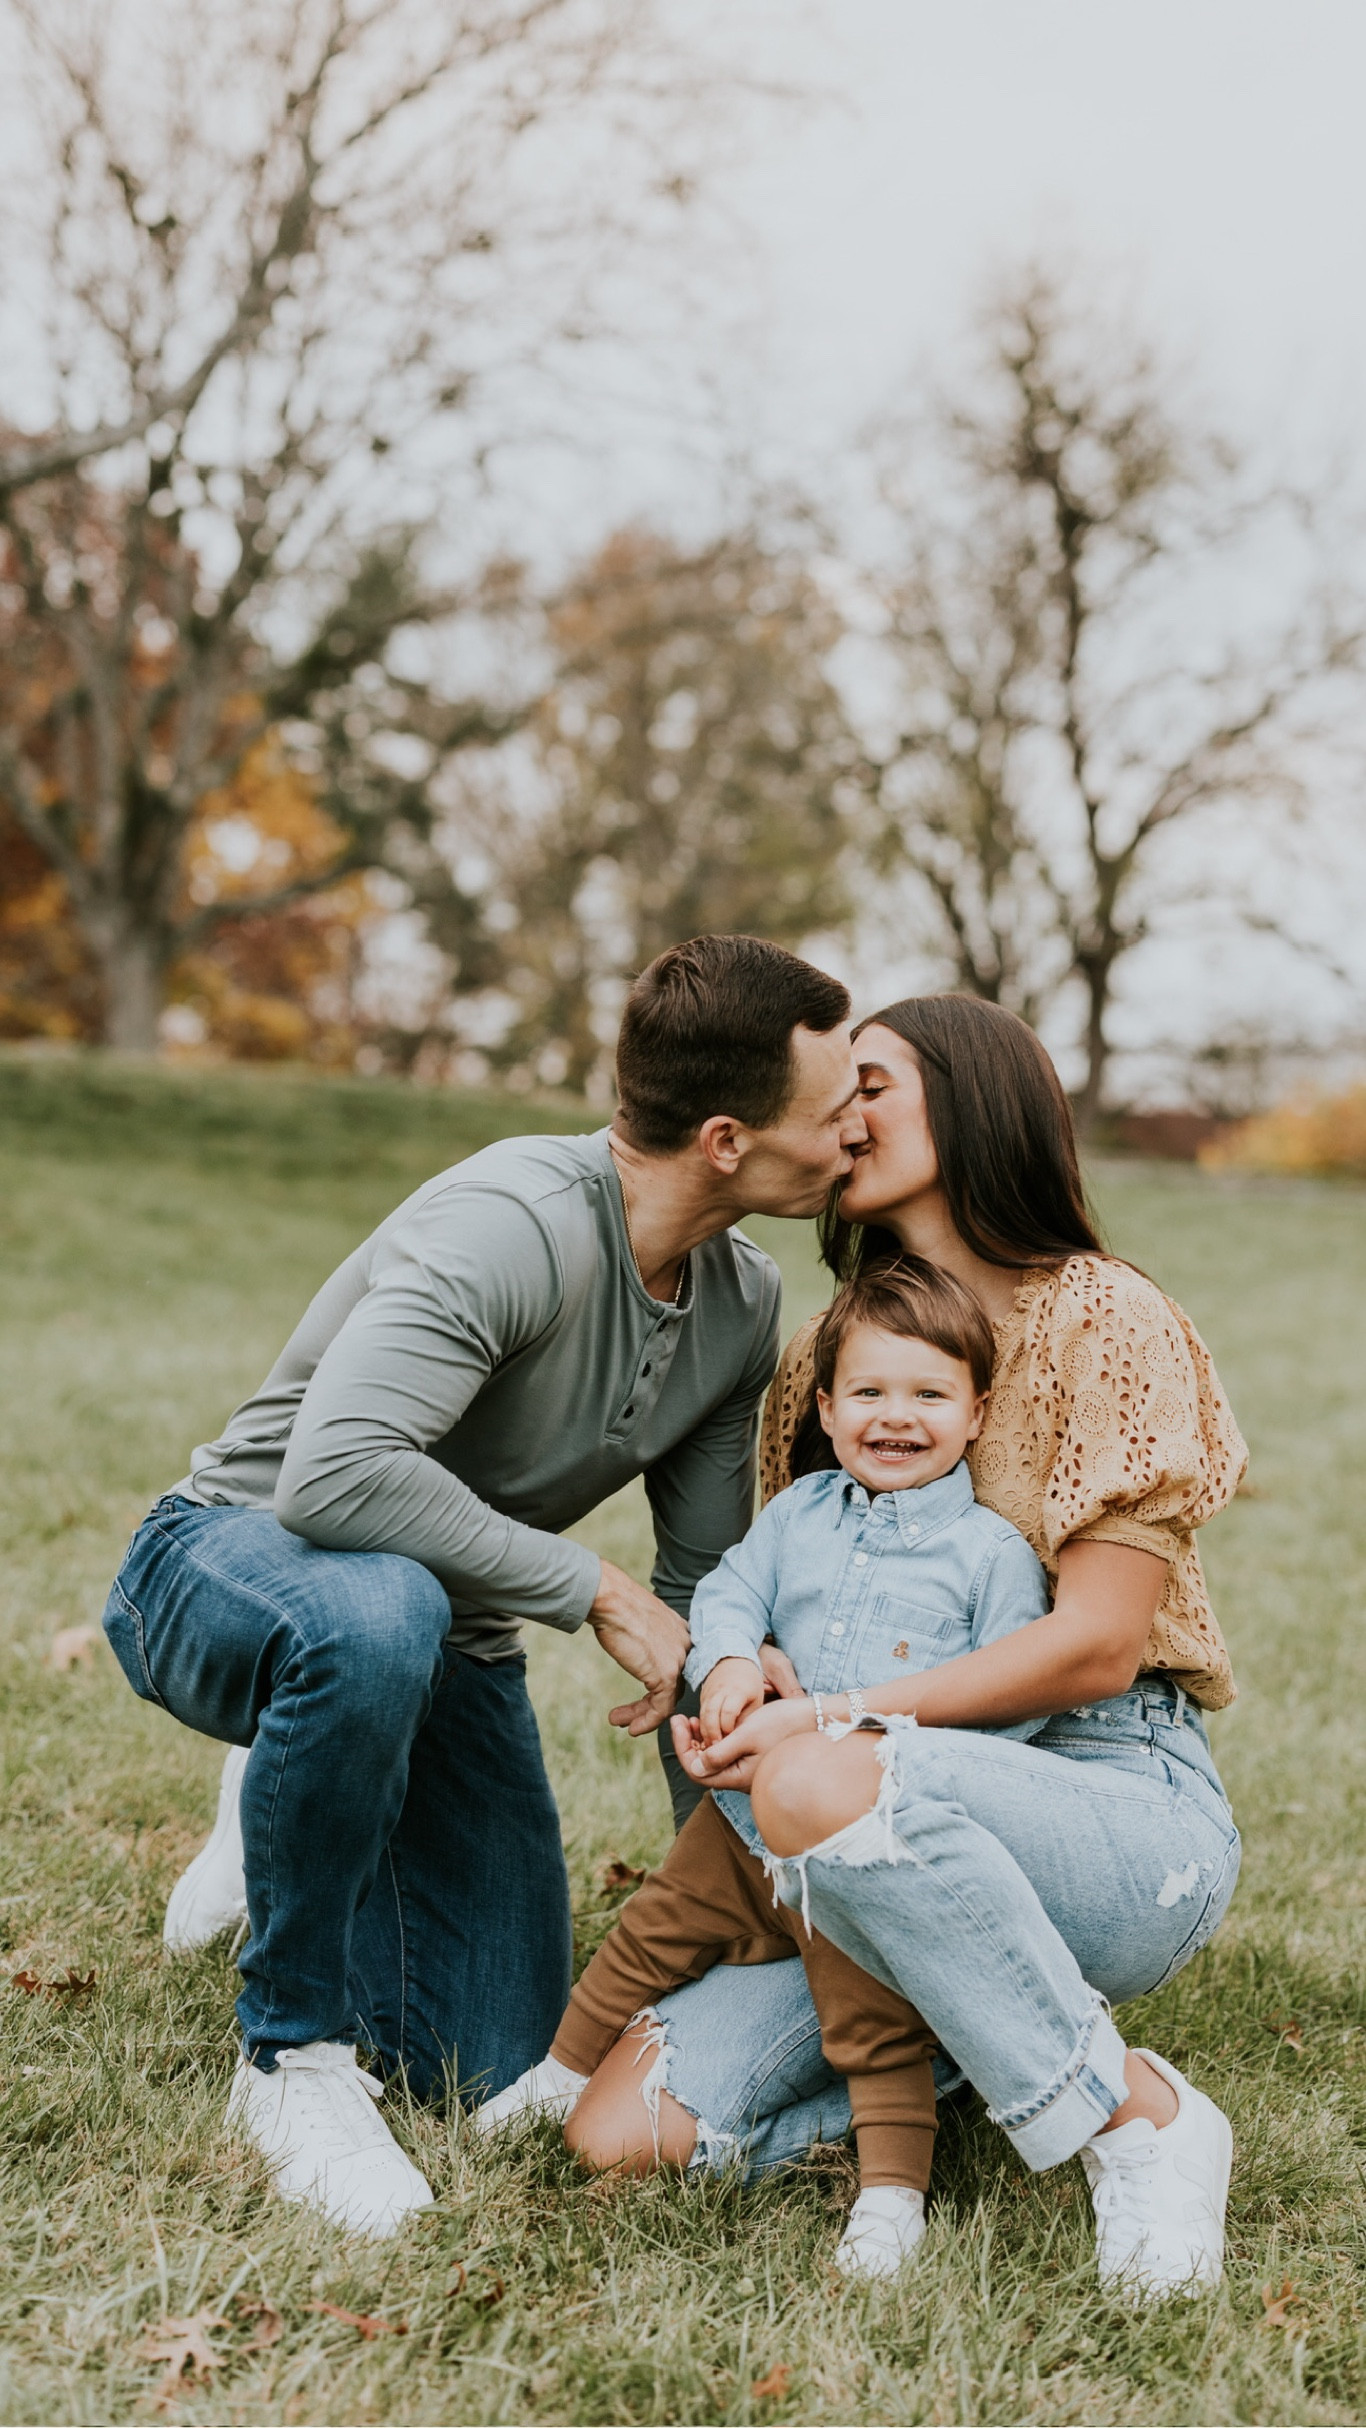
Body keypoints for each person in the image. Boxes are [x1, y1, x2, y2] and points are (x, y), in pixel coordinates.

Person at [101, 934, 867, 2236]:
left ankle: (321, 1787)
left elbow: (695, 1591)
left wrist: (752, 1881)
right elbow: (331, 1480)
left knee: (488, 2052)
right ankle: (290, 2057)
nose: (858, 1125)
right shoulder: (514, 1224)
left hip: (439, 1640)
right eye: (838, 1100)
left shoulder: (740, 1301)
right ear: (729, 1139)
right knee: (377, 1607)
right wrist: (592, 1589)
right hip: (221, 1567)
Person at [566, 994, 1247, 2305]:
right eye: (829, 1092)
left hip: (1111, 1801)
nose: (840, 1112)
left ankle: (1140, 2117)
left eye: (870, 1081)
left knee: (824, 1774)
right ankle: (982, 2034)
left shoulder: (1101, 1317)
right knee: (625, 2132)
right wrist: (745, 1685)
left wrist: (828, 1719)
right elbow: (765, 1607)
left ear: (978, 1094)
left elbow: (1098, 1648)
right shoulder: (822, 1363)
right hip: (840, 1810)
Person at [471, 1256, 1051, 2280]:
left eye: (928, 1394)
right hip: (742, 1821)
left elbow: (1008, 1706)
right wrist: (731, 1658)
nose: (895, 1417)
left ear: (976, 1411)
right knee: (648, 1933)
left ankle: (889, 2196)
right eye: (868, 1392)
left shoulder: (990, 1556)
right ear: (825, 1407)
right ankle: (559, 2075)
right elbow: (729, 1591)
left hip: (853, 1848)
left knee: (870, 2026)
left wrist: (881, 1763)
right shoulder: (799, 1516)